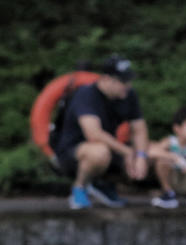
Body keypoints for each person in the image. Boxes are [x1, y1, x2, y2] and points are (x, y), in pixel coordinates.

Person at [53, 54, 150, 209]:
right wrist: (127, 152)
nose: (127, 85)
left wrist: (141, 156)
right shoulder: (86, 94)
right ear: (106, 79)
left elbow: (139, 129)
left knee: (151, 154)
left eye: (129, 80)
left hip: (110, 149)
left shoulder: (128, 94)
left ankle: (102, 185)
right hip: (73, 152)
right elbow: (94, 134)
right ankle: (79, 188)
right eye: (123, 81)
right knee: (99, 152)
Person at [148, 106, 186, 208]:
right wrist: (174, 157)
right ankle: (168, 193)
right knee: (162, 161)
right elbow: (151, 152)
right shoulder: (171, 142)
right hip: (173, 178)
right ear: (177, 128)